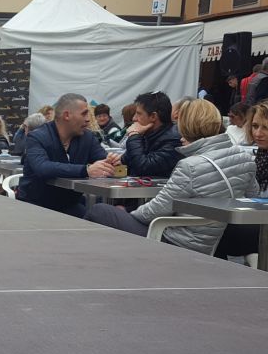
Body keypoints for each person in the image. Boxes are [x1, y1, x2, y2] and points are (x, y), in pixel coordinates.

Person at [86, 99, 258, 255]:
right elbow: (252, 198)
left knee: (100, 211)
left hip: (177, 241)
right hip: (215, 239)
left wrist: (127, 213)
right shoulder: (244, 159)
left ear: (186, 125)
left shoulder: (190, 166)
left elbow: (155, 211)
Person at [16, 92, 117, 216]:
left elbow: (103, 160)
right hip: (35, 205)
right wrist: (86, 170)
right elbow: (42, 167)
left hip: (69, 205)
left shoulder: (87, 138)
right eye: (84, 113)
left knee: (97, 219)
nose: (88, 119)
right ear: (67, 115)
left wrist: (113, 161)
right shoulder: (37, 136)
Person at [215, 100, 268, 261]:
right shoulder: (261, 155)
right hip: (259, 220)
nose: (258, 133)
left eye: (266, 128)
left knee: (214, 231)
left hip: (262, 224)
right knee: (212, 228)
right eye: (255, 126)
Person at [121, 91, 182, 177]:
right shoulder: (148, 134)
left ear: (153, 116)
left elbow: (143, 168)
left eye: (138, 114)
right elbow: (130, 162)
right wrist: (117, 161)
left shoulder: (174, 140)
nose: (134, 118)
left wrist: (134, 135)